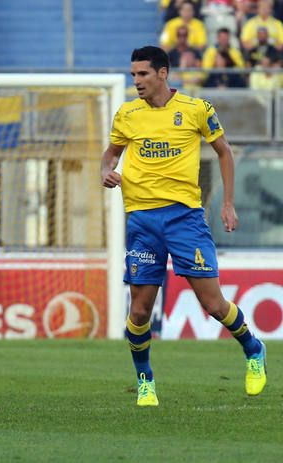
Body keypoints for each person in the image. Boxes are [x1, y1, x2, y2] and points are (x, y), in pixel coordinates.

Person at [100, 46, 267, 407]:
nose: (136, 81)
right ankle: (145, 381)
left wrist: (227, 203)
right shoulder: (127, 114)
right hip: (142, 220)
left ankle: (254, 349)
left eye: (143, 74)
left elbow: (224, 151)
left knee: (212, 304)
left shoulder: (196, 109)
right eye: (133, 75)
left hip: (184, 218)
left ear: (163, 73)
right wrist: (105, 170)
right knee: (140, 311)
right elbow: (110, 153)